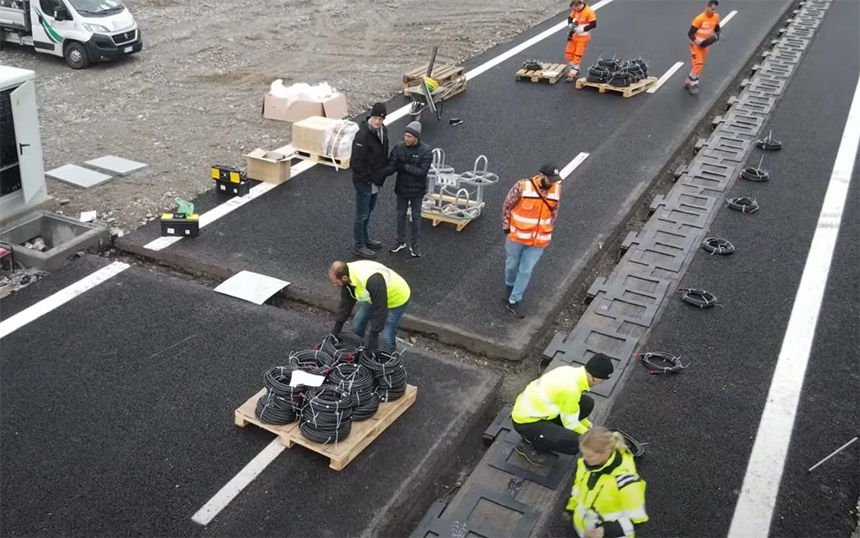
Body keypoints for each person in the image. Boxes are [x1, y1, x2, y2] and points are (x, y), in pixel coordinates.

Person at [510, 354, 615, 466]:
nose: (602, 383)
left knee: (587, 403)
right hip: (525, 422)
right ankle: (528, 442)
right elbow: (571, 424)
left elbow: (570, 409)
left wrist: (588, 426)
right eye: (602, 380)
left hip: (537, 410)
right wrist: (593, 437)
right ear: (595, 378)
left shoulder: (569, 371)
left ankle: (551, 431)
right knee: (576, 443)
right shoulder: (571, 390)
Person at [501, 163, 562, 319]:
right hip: (517, 237)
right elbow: (507, 205)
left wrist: (549, 228)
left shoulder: (556, 189)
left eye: (555, 180)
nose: (553, 183)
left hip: (539, 240)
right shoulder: (522, 186)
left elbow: (554, 211)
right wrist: (507, 227)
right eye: (550, 179)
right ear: (541, 176)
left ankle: (514, 300)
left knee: (526, 270)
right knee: (512, 265)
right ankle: (509, 285)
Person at [565, 427, 648, 538]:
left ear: (606, 452)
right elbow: (578, 487)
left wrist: (606, 530)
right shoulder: (587, 464)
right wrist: (570, 509)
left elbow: (637, 519)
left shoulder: (626, 482)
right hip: (582, 529)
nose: (583, 458)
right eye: (582, 453)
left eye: (589, 455)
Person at [329, 260, 411, 352]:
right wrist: (336, 329)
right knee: (358, 322)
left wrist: (374, 335)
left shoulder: (368, 279)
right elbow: (346, 304)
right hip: (373, 295)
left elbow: (380, 308)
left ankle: (388, 358)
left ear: (344, 278)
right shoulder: (347, 274)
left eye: (336, 283)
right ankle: (357, 347)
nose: (335, 285)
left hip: (396, 297)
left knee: (387, 335)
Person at [387, 121, 433, 258]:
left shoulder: (426, 151)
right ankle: (400, 241)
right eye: (405, 135)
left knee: (416, 216)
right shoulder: (399, 148)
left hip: (417, 191)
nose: (406, 139)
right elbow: (392, 165)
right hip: (401, 189)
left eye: (409, 136)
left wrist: (404, 167)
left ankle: (414, 244)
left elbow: (422, 171)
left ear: (416, 137)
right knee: (400, 215)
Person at [350, 102, 391, 258]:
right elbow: (356, 162)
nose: (377, 122)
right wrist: (366, 179)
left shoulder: (383, 132)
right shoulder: (362, 135)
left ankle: (365, 238)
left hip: (375, 180)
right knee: (362, 214)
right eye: (375, 118)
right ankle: (358, 245)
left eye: (380, 119)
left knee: (368, 212)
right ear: (371, 116)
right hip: (365, 182)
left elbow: (382, 155)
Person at [685, 0, 721, 95]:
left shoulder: (716, 17)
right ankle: (693, 84)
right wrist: (697, 42)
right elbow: (690, 33)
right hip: (695, 44)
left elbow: (717, 29)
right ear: (707, 7)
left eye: (714, 9)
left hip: (705, 44)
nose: (713, 11)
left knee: (699, 65)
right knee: (698, 64)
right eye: (712, 9)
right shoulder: (699, 19)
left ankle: (688, 81)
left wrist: (717, 37)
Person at [565, 0, 597, 83]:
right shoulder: (576, 10)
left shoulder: (589, 12)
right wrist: (570, 24)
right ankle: (574, 67)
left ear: (579, 5)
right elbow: (570, 17)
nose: (574, 10)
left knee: (577, 54)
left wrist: (583, 29)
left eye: (575, 8)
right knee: (569, 52)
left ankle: (573, 72)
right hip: (574, 34)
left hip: (583, 37)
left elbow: (593, 24)